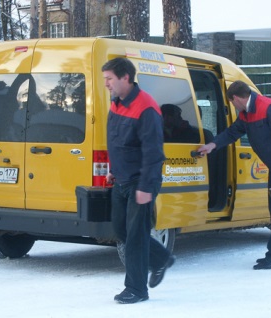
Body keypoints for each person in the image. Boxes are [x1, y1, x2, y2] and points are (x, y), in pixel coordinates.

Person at [197, 80, 271, 270]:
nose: (233, 107)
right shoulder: (246, 115)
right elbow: (232, 132)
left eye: (232, 103)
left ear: (236, 98)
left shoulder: (268, 108)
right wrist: (213, 145)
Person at [102, 57, 175, 304]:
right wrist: (113, 167)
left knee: (135, 236)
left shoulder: (147, 109)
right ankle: (161, 258)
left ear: (125, 77)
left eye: (109, 79)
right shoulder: (117, 103)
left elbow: (154, 153)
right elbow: (117, 140)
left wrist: (145, 187)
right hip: (121, 178)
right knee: (120, 229)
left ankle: (136, 289)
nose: (106, 84)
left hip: (141, 182)